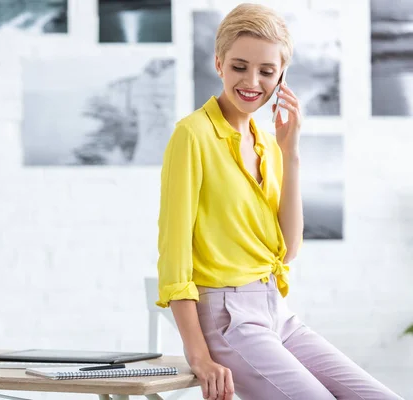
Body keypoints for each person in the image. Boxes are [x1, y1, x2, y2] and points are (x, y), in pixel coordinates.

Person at [155, 3, 404, 400]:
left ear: (282, 76)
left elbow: (287, 250)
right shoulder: (193, 136)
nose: (252, 81)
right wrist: (198, 356)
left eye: (267, 71)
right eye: (239, 67)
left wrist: (290, 152)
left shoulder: (269, 144)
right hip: (226, 321)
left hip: (277, 313)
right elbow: (173, 260)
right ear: (218, 64)